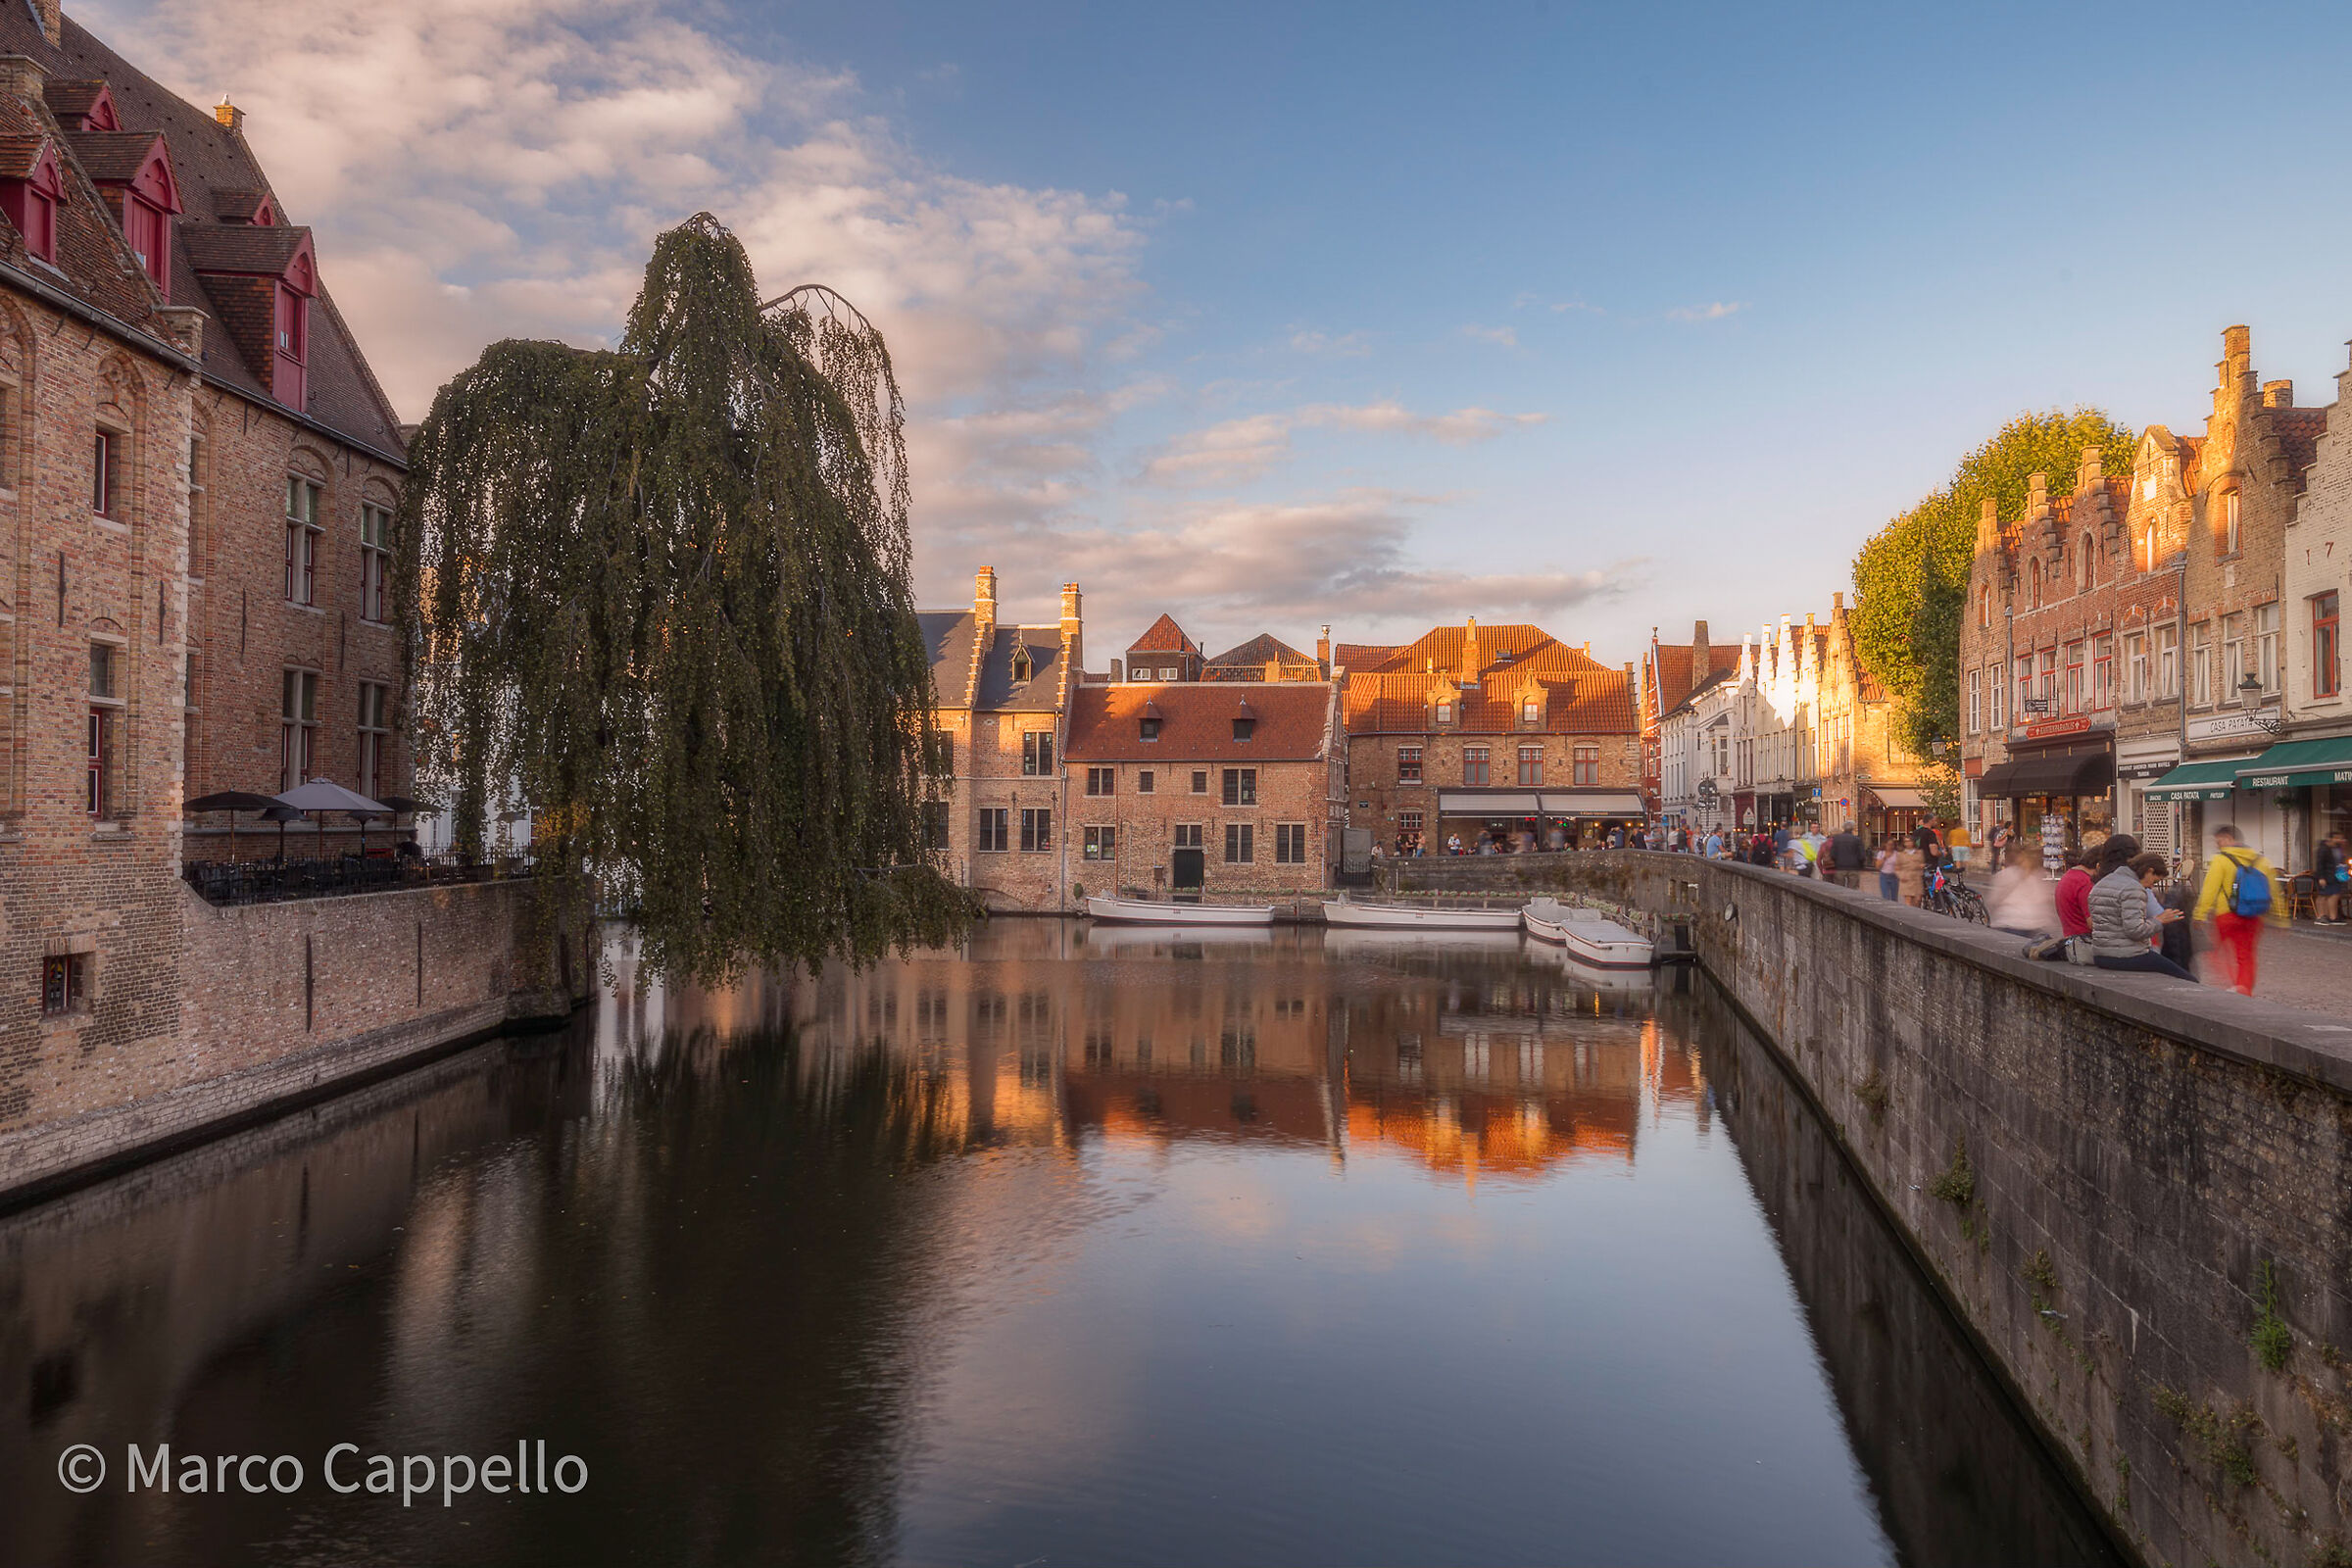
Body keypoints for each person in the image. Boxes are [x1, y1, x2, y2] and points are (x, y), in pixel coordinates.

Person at [2194, 824, 2286, 996]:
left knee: (2216, 951)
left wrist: (2199, 914)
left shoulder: (2221, 860)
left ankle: (2228, 982)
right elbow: (2274, 891)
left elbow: (2210, 889)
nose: (2218, 845)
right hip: (2253, 915)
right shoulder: (2261, 861)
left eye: (2219, 841)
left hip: (2226, 915)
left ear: (2229, 839)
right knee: (2246, 955)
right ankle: (2243, 988)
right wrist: (2282, 919)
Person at [2087, 835, 2193, 979]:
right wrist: (2159, 920)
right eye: (2154, 882)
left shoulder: (2102, 883)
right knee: (2187, 979)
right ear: (2149, 871)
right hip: (2126, 955)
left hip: (2101, 954)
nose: (2151, 887)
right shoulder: (2133, 888)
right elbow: (2135, 931)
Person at [1987, 843, 2058, 938]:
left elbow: (1994, 900)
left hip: (2011, 922)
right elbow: (2047, 900)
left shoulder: (2006, 875)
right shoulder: (2041, 876)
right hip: (2029, 924)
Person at [2053, 847, 2094, 940]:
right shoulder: (2086, 883)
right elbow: (2092, 922)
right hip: (2085, 939)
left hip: (2071, 938)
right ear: (2098, 866)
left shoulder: (2068, 876)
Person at [2315, 830, 2349, 924]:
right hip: (2326, 875)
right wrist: (2321, 877)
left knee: (2334, 895)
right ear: (2331, 838)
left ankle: (2332, 916)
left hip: (2336, 875)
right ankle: (2321, 916)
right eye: (2337, 838)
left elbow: (2341, 861)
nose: (2339, 840)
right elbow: (2320, 864)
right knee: (2324, 896)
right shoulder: (2323, 849)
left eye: (2340, 838)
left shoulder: (2338, 848)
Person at [1824, 822, 1867, 890]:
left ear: (1843, 828)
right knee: (1853, 888)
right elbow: (1862, 855)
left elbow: (1832, 854)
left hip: (1840, 867)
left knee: (1839, 888)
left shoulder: (1837, 839)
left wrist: (1836, 862)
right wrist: (1861, 865)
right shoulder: (1857, 840)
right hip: (1854, 867)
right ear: (1852, 829)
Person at [1895, 839, 1926, 907]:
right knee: (1908, 899)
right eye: (1906, 841)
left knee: (1917, 900)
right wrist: (1901, 876)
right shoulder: (1901, 854)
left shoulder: (1919, 852)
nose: (1908, 843)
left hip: (1917, 878)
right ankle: (1909, 915)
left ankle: (1916, 913)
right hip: (1906, 877)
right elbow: (1897, 867)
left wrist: (1922, 866)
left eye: (1910, 841)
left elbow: (1922, 863)